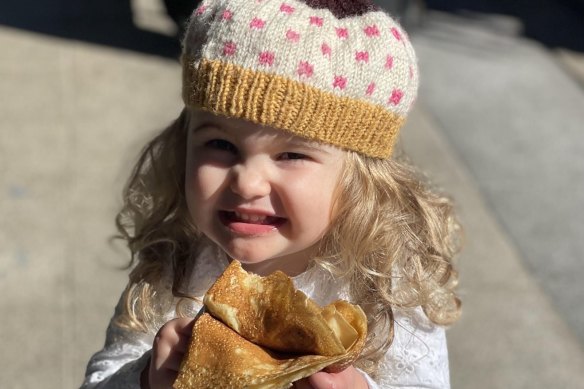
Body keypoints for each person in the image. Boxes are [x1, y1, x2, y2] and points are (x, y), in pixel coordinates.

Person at [81, 0, 462, 388]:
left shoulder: (389, 287)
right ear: (183, 146)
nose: (247, 183)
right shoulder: (175, 264)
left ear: (361, 180)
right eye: (221, 145)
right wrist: (146, 378)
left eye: (292, 154)